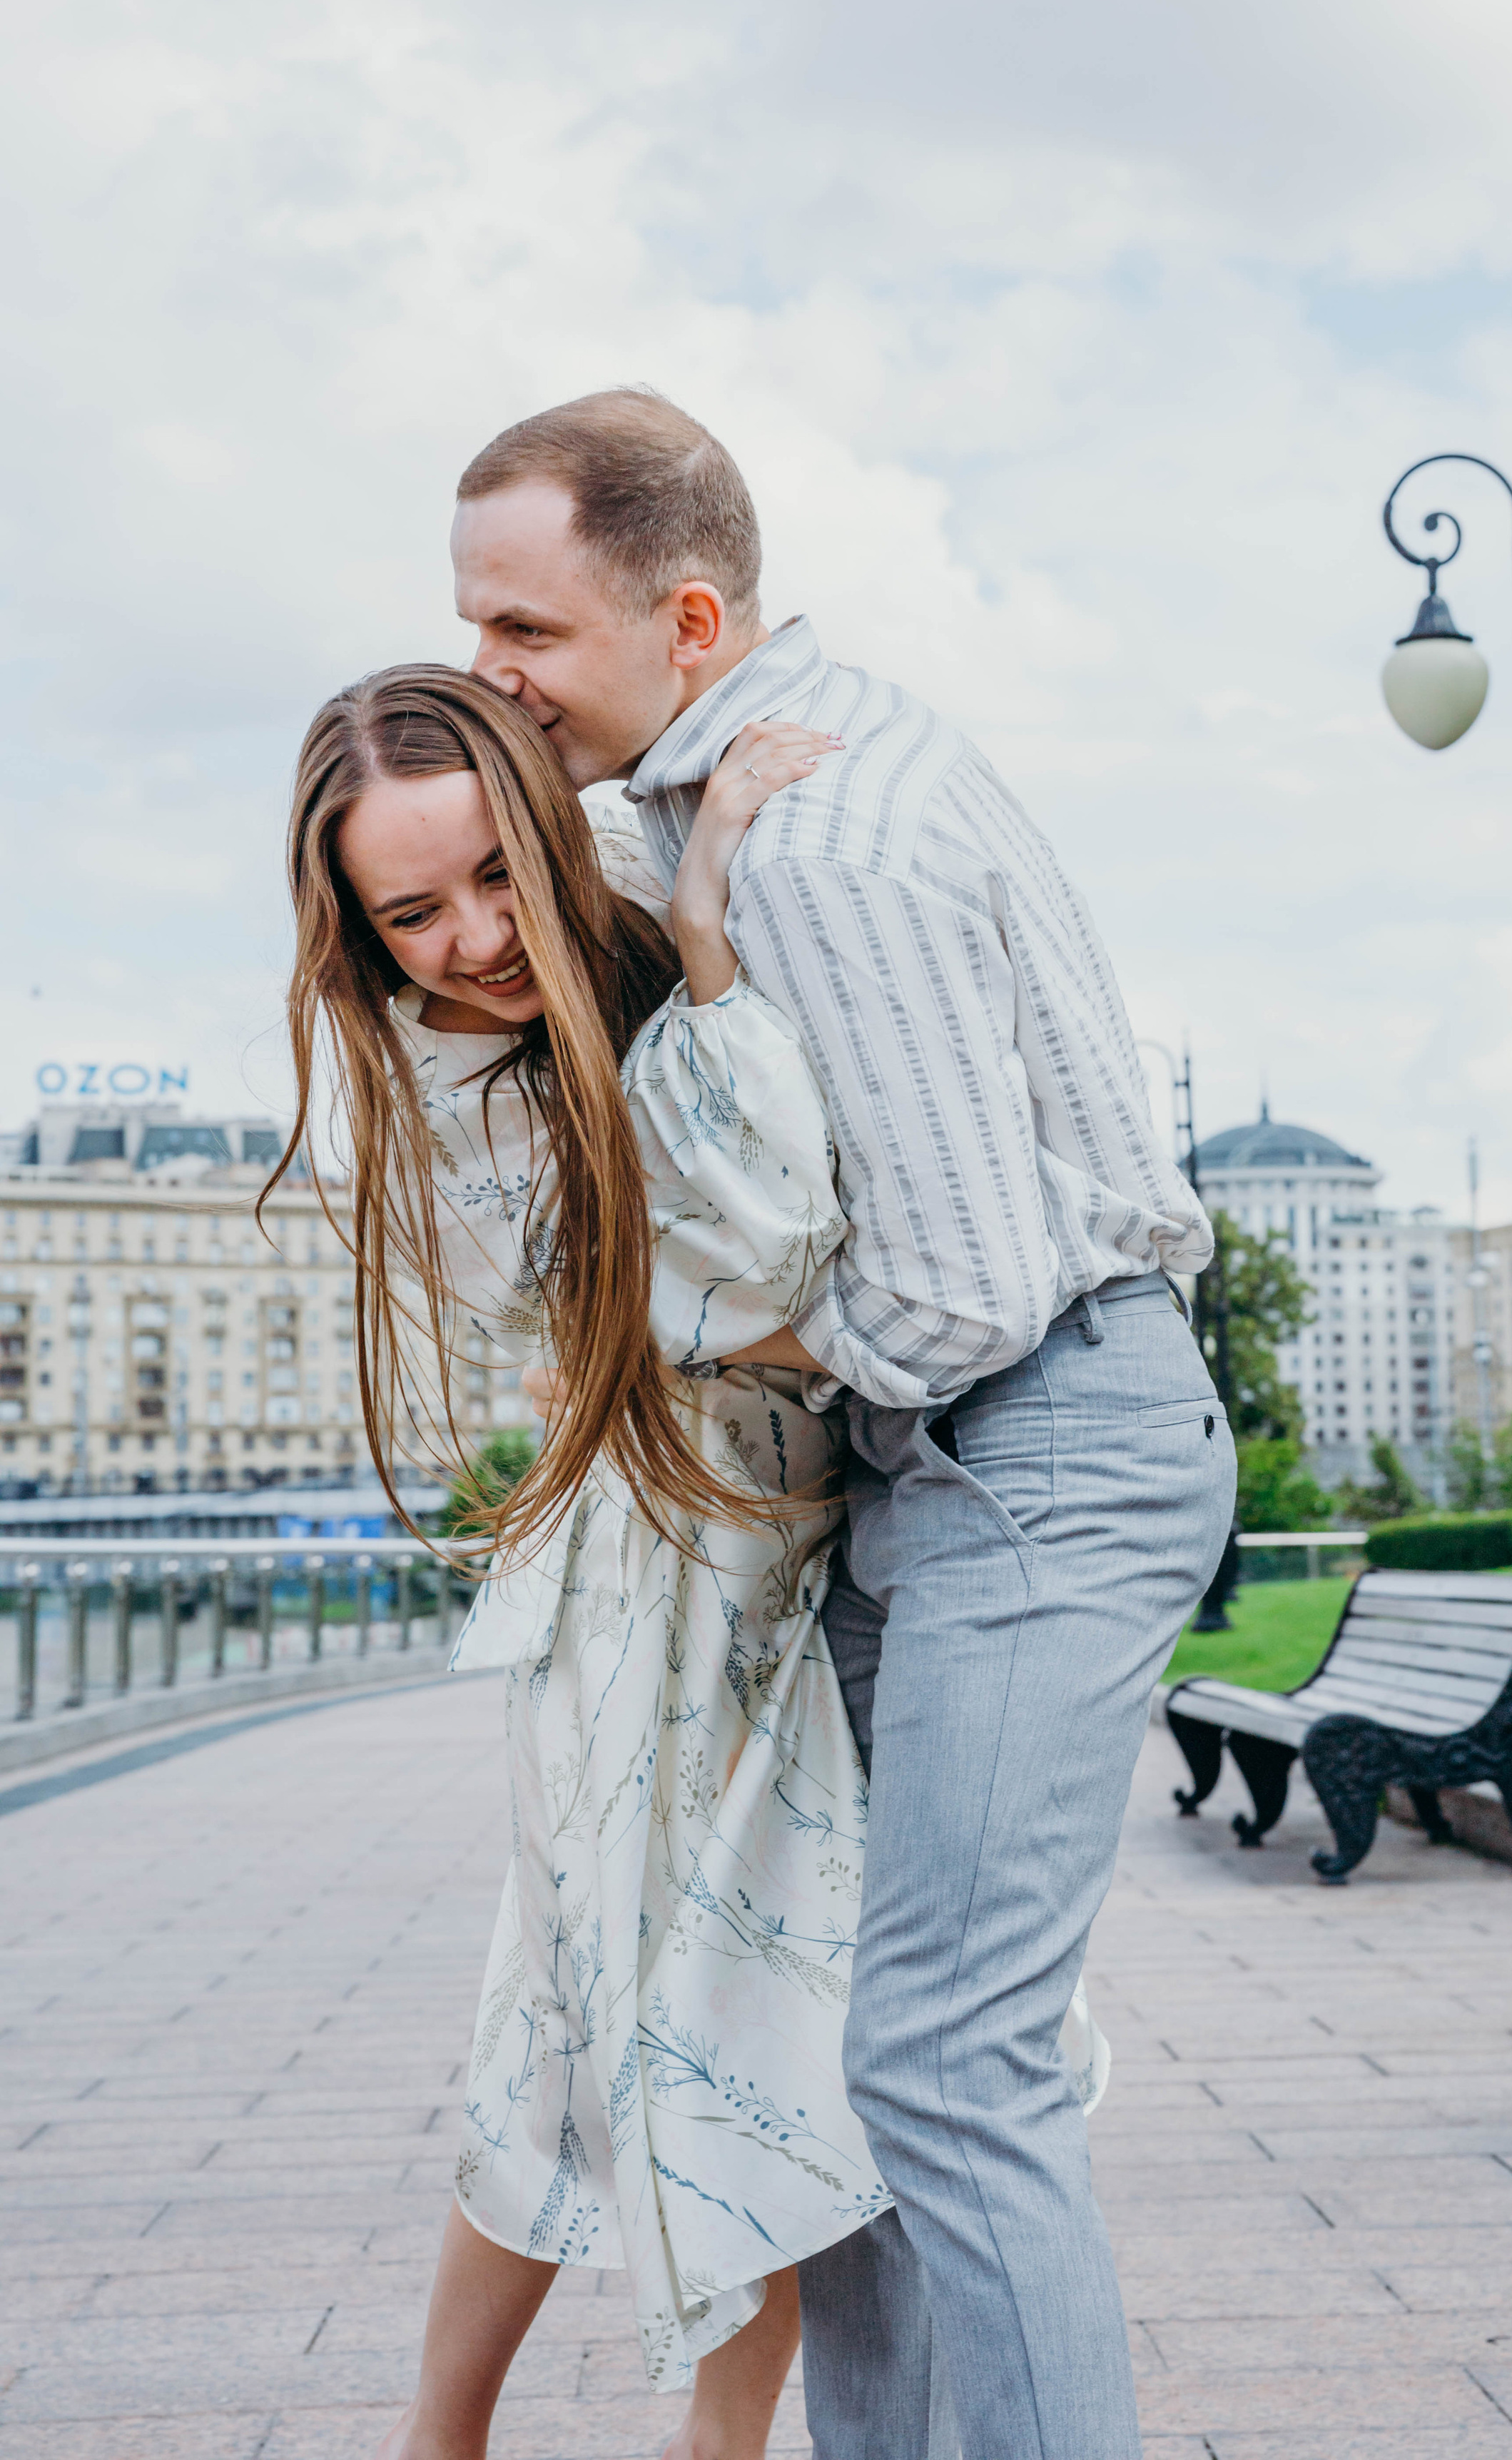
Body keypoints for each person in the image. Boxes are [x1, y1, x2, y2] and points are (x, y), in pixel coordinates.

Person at [452, 388, 1235, 2460]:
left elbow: (961, 1292)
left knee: (948, 2065)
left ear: (690, 621)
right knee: (847, 2073)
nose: (488, 672)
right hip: (959, 1461)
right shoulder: (752, 792)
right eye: (471, 626)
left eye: (525, 630)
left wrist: (718, 1347)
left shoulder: (820, 842)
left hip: (1033, 1441)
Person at [271, 664, 878, 2460]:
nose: (469, 940)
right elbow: (766, 1257)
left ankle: (667, 2442)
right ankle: (466, 2434)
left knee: (747, 2017)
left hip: (786, 1555)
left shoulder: (606, 922)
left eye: (490, 875)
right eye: (410, 914)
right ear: (357, 932)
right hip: (650, 1587)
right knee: (627, 2015)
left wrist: (682, 918)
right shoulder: (447, 1085)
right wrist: (703, 945)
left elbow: (747, 1282)